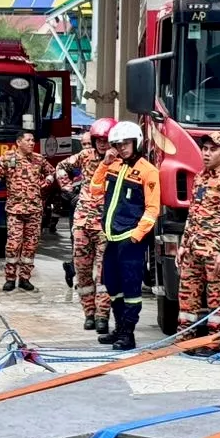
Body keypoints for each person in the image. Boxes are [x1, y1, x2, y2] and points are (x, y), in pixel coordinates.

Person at [90, 121, 159, 351]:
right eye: (118, 145)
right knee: (112, 285)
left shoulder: (148, 171)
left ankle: (128, 334)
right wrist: (104, 163)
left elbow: (152, 209)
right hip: (112, 237)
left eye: (126, 144)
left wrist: (137, 235)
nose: (122, 148)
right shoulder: (114, 165)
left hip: (130, 239)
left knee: (131, 289)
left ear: (136, 142)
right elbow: (95, 189)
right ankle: (119, 328)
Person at [178, 132, 220, 353]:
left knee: (216, 299)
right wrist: (183, 245)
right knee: (187, 297)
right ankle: (185, 341)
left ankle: (214, 343)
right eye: (204, 148)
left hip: (216, 251)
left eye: (212, 149)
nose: (206, 153)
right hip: (194, 249)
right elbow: (192, 214)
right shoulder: (199, 177)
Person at [57, 118, 115, 332]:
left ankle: (102, 316)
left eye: (105, 140)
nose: (101, 144)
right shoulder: (84, 156)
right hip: (82, 223)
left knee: (103, 274)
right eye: (98, 140)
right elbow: (61, 167)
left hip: (104, 225)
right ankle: (89, 313)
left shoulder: (119, 161)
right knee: (82, 272)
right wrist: (68, 190)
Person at [0, 130, 54, 292]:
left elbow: (52, 172)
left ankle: (25, 278)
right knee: (13, 245)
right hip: (15, 210)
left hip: (35, 210)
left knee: (30, 246)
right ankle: (10, 278)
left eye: (33, 140)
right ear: (19, 142)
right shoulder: (8, 158)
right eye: (28, 140)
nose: (31, 143)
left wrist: (44, 184)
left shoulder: (38, 159)